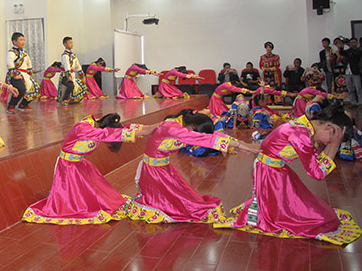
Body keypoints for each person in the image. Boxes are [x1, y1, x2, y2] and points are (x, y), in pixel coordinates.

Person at [214, 104, 361, 245]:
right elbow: (317, 173)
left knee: (311, 210)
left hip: (275, 169)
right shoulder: (301, 134)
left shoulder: (304, 125)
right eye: (332, 138)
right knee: (306, 218)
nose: (328, 142)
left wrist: (332, 144)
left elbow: (316, 163)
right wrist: (334, 146)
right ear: (328, 127)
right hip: (269, 173)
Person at [126, 109, 258, 224]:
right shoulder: (172, 127)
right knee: (170, 203)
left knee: (183, 196)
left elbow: (211, 136)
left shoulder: (183, 124)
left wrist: (241, 144)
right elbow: (204, 139)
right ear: (193, 127)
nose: (196, 136)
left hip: (164, 167)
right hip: (153, 171)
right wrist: (241, 146)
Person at [22, 113, 157, 224]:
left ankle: (57, 195)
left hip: (80, 165)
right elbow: (105, 134)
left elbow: (122, 128)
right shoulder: (84, 128)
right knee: (78, 203)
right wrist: (143, 131)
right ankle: (58, 197)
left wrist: (150, 128)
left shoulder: (96, 126)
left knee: (99, 195)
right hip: (68, 167)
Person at [6, 33, 40, 114]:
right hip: (15, 74)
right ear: (14, 42)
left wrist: (30, 74)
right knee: (21, 89)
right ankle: (11, 105)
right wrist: (15, 75)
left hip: (25, 75)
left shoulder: (24, 52)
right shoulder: (11, 52)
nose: (23, 42)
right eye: (21, 40)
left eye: (23, 40)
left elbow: (29, 63)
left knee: (37, 89)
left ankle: (23, 104)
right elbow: (9, 63)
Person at [57, 37, 87, 105]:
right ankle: (64, 100)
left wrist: (82, 76)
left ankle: (75, 100)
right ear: (65, 44)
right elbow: (67, 66)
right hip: (65, 75)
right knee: (70, 85)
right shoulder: (65, 55)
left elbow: (78, 65)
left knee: (82, 86)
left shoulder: (73, 55)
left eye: (72, 42)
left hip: (73, 75)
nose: (71, 44)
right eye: (69, 43)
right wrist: (69, 76)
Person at [345, 37, 362, 106]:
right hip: (347, 72)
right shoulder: (348, 51)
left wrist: (350, 48)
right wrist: (341, 46)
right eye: (351, 43)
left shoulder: (359, 50)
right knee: (350, 88)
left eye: (354, 42)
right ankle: (353, 102)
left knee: (358, 88)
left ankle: (360, 102)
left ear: (357, 43)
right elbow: (342, 52)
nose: (352, 44)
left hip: (355, 72)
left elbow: (356, 55)